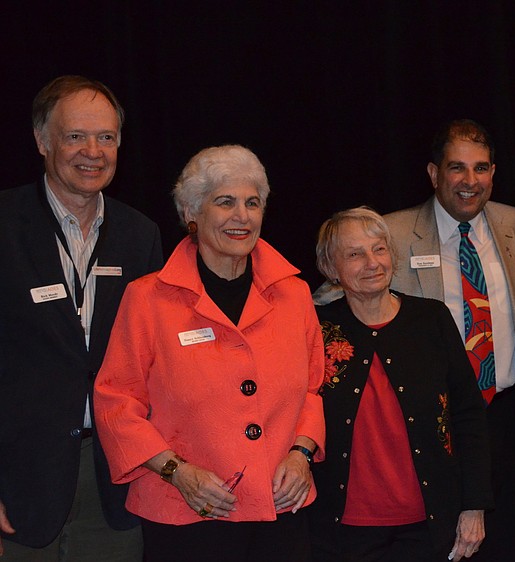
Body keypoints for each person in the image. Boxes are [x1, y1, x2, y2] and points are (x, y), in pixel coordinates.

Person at [93, 145, 325, 562]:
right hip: (187, 511)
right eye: (225, 202)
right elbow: (116, 403)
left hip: (281, 509)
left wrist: (301, 453)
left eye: (252, 202)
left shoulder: (295, 294)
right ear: (191, 215)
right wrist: (177, 473)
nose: (242, 215)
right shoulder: (146, 300)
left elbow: (313, 389)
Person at [0, 75, 162, 560]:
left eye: (106, 137)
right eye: (76, 136)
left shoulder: (140, 235)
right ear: (42, 140)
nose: (92, 151)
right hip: (17, 478)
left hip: (115, 480)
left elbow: (157, 361)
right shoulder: (4, 224)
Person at [373, 119, 515, 561]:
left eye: (481, 169)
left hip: (506, 417)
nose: (470, 182)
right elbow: (337, 291)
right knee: (445, 545)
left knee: (507, 542)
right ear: (434, 174)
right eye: (457, 168)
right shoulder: (391, 234)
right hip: (434, 420)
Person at [309, 207, 493, 561]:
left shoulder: (431, 319)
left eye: (379, 249)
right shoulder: (315, 328)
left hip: (429, 524)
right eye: (354, 254)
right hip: (344, 529)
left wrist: (474, 506)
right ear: (331, 269)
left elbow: (469, 415)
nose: (372, 262)